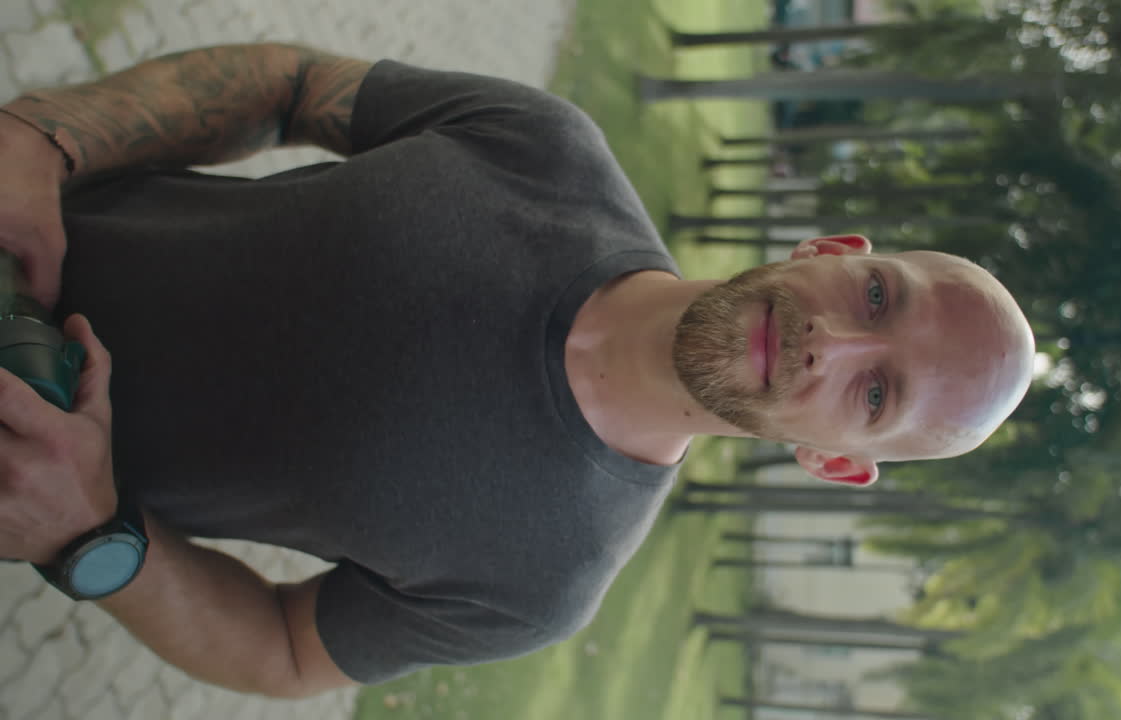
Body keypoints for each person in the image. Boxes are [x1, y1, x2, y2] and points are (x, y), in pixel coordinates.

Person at [0, 44, 1035, 697]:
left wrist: (90, 534)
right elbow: (293, 87)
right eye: (875, 301)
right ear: (835, 254)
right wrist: (46, 139)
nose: (836, 345)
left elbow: (284, 651)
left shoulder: (546, 583)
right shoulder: (544, 147)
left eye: (873, 392)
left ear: (832, 462)